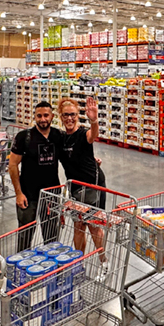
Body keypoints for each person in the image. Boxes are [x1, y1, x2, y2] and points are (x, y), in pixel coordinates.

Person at [57, 97, 107, 270]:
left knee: (94, 226)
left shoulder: (82, 133)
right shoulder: (61, 138)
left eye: (73, 115)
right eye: (66, 115)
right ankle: (78, 265)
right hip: (76, 187)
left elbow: (93, 135)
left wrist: (94, 120)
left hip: (93, 185)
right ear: (60, 117)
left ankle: (104, 262)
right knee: (78, 226)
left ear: (78, 115)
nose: (69, 118)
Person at [9, 101, 63, 251]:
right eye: (39, 116)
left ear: (52, 116)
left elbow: (71, 156)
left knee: (51, 237)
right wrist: (18, 193)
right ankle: (22, 269)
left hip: (51, 195)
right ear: (34, 117)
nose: (43, 119)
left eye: (46, 115)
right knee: (25, 237)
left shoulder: (58, 135)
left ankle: (50, 268)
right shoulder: (23, 137)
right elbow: (13, 165)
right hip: (28, 196)